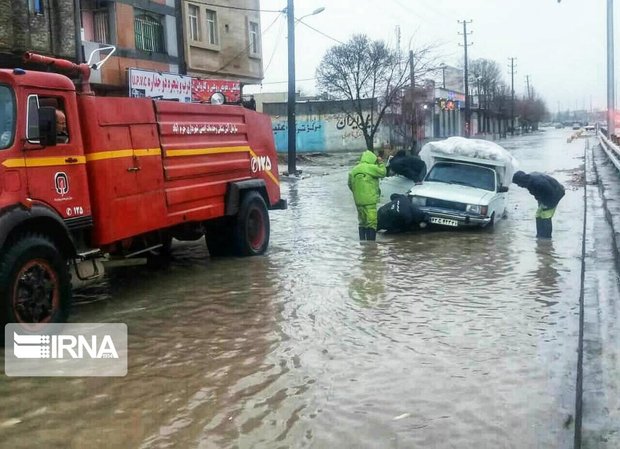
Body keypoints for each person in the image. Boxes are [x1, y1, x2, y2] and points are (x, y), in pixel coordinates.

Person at [512, 170, 565, 239]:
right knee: (538, 215)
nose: (519, 186)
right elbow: (538, 193)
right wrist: (540, 201)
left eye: (518, 184)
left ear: (521, 180)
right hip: (547, 195)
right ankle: (540, 235)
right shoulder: (529, 181)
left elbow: (550, 192)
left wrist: (547, 205)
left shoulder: (538, 183)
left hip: (555, 194)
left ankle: (547, 238)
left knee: (546, 216)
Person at [348, 150, 387, 241]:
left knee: (362, 222)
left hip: (358, 201)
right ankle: (371, 246)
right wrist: (381, 162)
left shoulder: (354, 170)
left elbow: (350, 185)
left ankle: (362, 243)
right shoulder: (371, 168)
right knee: (372, 222)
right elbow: (383, 173)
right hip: (370, 200)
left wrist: (358, 193)